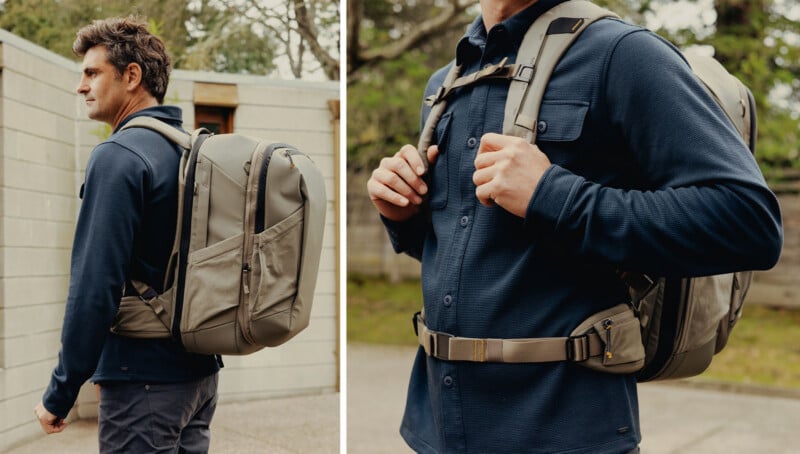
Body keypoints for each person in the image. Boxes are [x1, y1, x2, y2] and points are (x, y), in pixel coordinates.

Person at [367, 0, 783, 452]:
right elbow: (476, 249)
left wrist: (550, 194)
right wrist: (404, 215)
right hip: (436, 431)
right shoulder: (446, 82)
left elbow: (749, 222)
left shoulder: (623, 54)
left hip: (567, 433)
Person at [34, 17, 220, 452]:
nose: (81, 86)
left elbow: (94, 288)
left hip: (144, 383)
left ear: (131, 76)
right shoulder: (191, 151)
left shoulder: (118, 155)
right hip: (201, 378)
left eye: (92, 72)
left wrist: (61, 391)